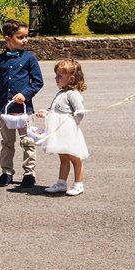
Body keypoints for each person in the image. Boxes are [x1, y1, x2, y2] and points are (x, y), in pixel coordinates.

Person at [0, 19, 44, 188]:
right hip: (5, 110)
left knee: (28, 141)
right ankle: (6, 172)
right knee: (7, 143)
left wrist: (25, 94)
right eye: (20, 37)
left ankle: (29, 173)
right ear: (8, 39)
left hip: (23, 110)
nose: (25, 40)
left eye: (26, 36)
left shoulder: (29, 58)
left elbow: (37, 82)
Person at [36, 58, 89, 196]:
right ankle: (61, 183)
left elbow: (80, 112)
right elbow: (55, 110)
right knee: (63, 158)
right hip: (59, 132)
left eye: (60, 76)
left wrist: (73, 126)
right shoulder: (61, 93)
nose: (56, 78)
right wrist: (46, 113)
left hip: (69, 132)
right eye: (56, 75)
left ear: (71, 78)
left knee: (75, 158)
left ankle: (78, 184)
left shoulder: (73, 94)